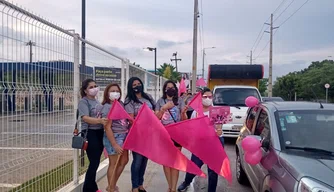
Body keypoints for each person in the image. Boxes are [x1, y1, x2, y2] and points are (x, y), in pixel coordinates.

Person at [177, 87, 224, 192]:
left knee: (213, 171)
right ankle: (186, 182)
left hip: (215, 142)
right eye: (205, 97)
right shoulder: (196, 112)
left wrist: (218, 131)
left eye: (210, 96)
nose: (208, 98)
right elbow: (189, 125)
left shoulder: (217, 111)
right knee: (194, 165)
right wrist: (183, 113)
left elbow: (219, 127)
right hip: (200, 144)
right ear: (201, 98)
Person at [124, 77, 156, 192]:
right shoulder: (129, 100)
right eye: (134, 85)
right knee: (137, 161)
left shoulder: (148, 97)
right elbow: (131, 119)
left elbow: (155, 111)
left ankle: (141, 184)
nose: (137, 86)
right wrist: (144, 118)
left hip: (149, 134)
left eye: (139, 83)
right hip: (137, 135)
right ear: (130, 87)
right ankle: (135, 186)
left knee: (144, 161)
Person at [155, 80, 188, 192]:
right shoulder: (160, 101)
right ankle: (170, 186)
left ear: (175, 89)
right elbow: (156, 118)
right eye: (168, 87)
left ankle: (173, 188)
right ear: (164, 89)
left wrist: (183, 113)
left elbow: (185, 120)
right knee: (166, 162)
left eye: (172, 87)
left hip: (177, 134)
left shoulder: (179, 101)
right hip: (164, 134)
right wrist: (163, 108)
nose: (170, 89)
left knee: (175, 162)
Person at [78, 79, 108, 192]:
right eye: (91, 87)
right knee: (94, 162)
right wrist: (99, 121)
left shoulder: (97, 102)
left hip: (99, 133)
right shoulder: (83, 102)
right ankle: (88, 189)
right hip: (90, 133)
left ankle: (92, 188)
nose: (94, 88)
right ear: (85, 90)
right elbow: (85, 118)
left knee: (95, 163)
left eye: (95, 86)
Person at [101, 83, 130, 192]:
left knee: (124, 161)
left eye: (117, 91)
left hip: (123, 135)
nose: (115, 93)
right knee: (114, 163)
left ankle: (112, 185)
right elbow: (107, 128)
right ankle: (112, 188)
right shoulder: (107, 107)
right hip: (114, 136)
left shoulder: (120, 104)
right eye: (112, 91)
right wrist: (114, 144)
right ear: (107, 93)